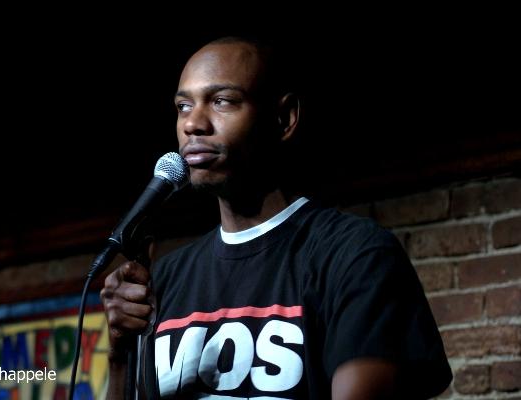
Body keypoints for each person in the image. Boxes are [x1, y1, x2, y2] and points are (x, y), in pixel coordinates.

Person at [100, 35, 452, 399]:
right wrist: (119, 355)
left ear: (283, 119)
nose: (193, 124)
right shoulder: (168, 278)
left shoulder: (354, 255)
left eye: (222, 101)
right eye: (183, 106)